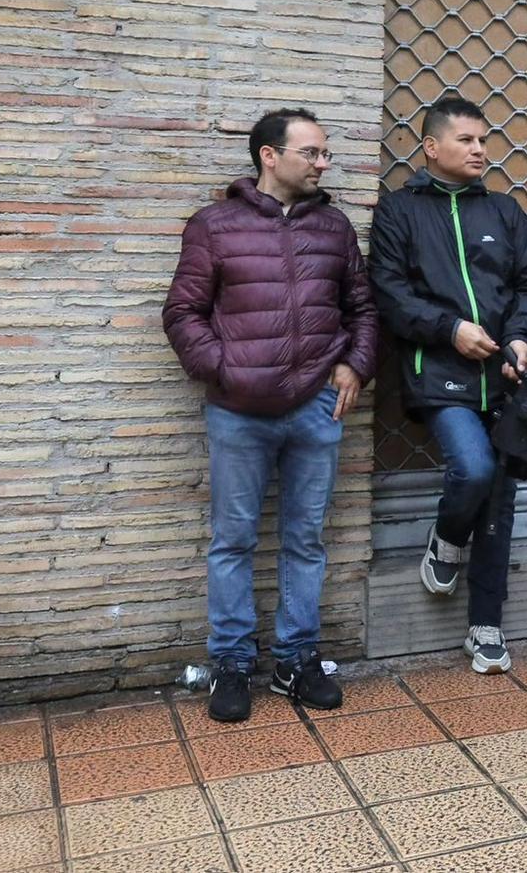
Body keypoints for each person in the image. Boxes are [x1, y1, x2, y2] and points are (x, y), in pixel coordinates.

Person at [163, 108, 379, 722]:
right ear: (269, 156)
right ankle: (231, 662)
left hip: (316, 406)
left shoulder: (334, 227)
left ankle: (295, 659)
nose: (323, 163)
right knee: (232, 540)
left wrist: (355, 366)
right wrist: (226, 370)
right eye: (311, 152)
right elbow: (182, 313)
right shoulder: (214, 226)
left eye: (325, 153)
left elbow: (362, 308)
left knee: (305, 541)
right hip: (239, 413)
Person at [369, 95, 527, 676]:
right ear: (431, 147)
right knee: (473, 469)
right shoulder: (400, 210)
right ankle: (446, 537)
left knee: (500, 495)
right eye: (466, 140)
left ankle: (486, 626)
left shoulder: (503, 210)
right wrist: (449, 330)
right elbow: (390, 292)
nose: (479, 149)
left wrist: (522, 337)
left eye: (483, 140)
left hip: (505, 377)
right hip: (440, 373)